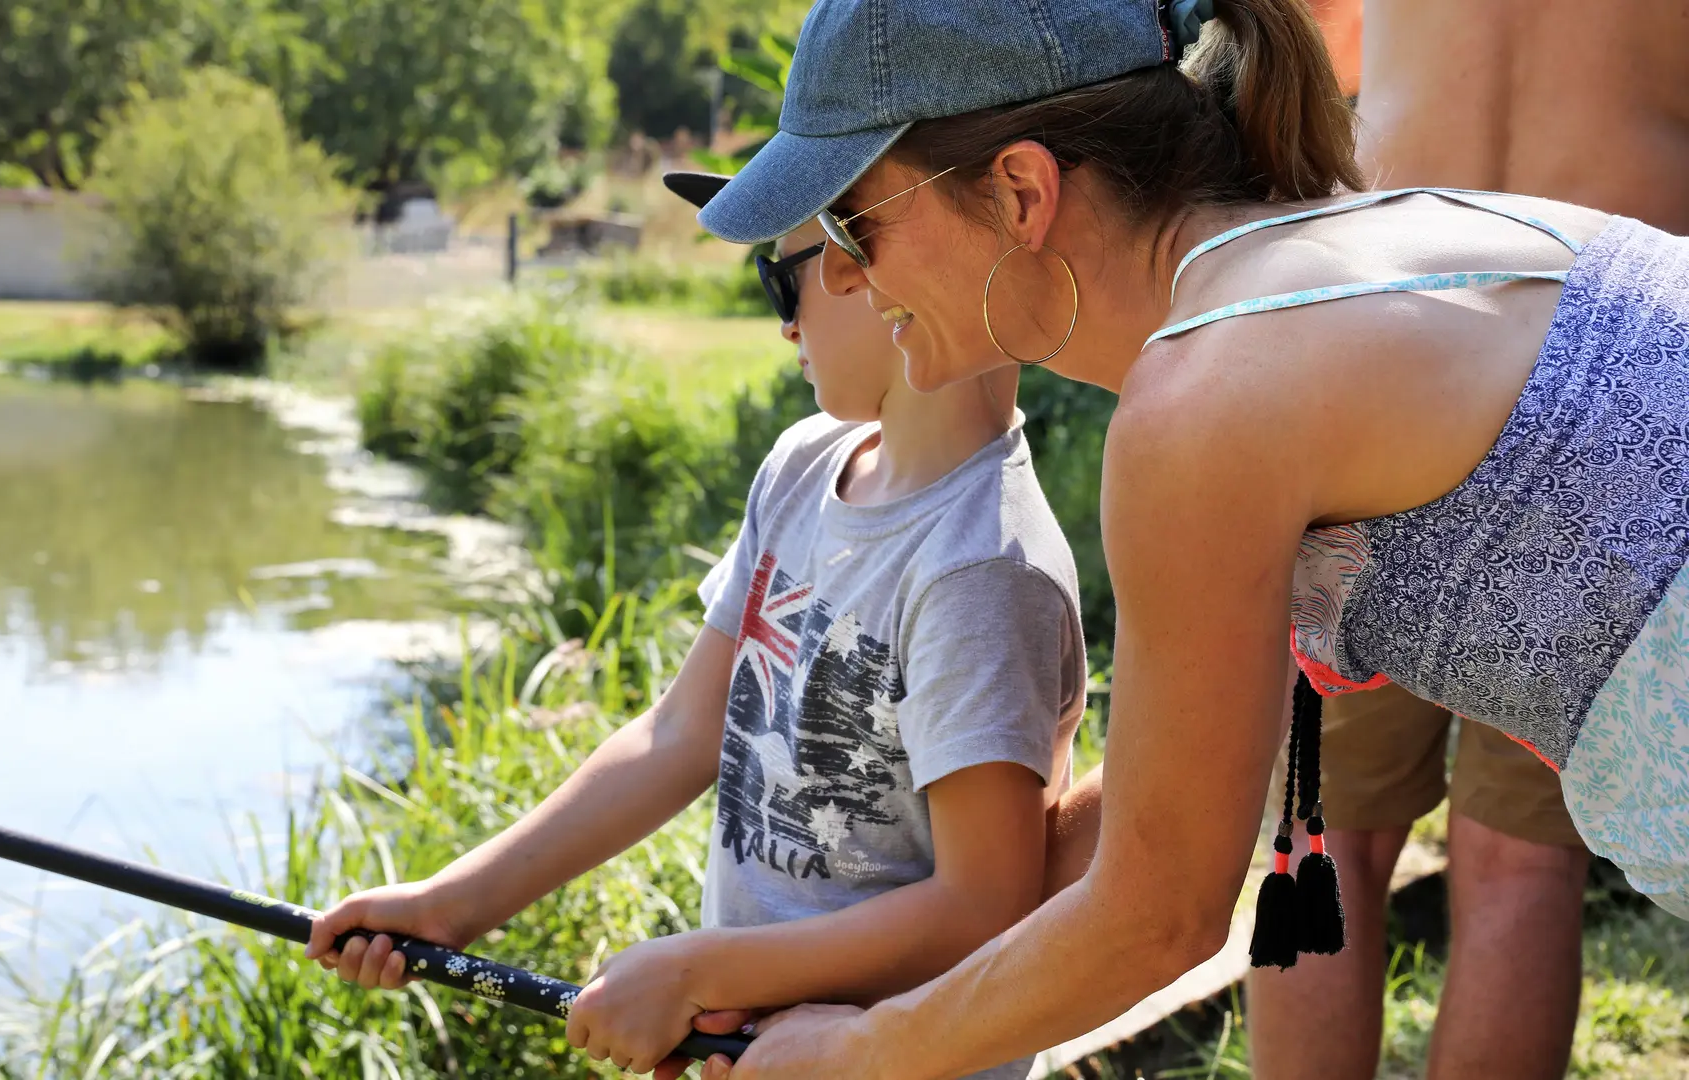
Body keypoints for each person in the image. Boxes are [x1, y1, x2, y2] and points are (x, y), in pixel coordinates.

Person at [673, 0, 1689, 1076]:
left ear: (1021, 190)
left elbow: (1158, 916)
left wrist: (853, 1056)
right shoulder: (1325, 255)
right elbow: (1172, 807)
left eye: (854, 222)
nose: (839, 274)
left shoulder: (1204, 397)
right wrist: (738, 973)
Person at [303, 170, 1092, 1079]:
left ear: (865, 268)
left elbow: (979, 908)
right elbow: (683, 730)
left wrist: (695, 970)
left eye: (778, 277)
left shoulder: (981, 570)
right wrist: (452, 905)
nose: (786, 324)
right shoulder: (805, 465)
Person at [1246, 3, 1689, 1078]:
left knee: (1320, 837)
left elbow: (1310, 48)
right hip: (1608, 365)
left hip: (1377, 317)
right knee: (1519, 861)